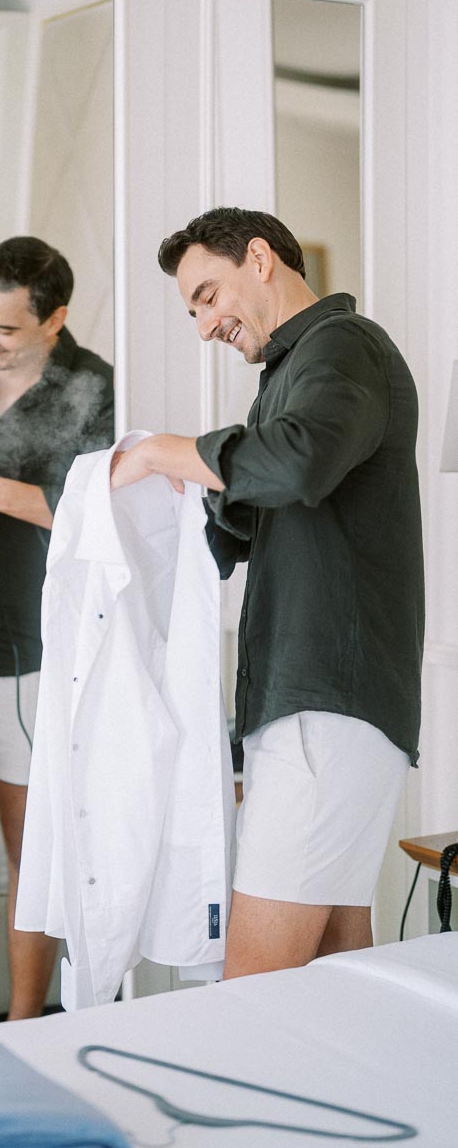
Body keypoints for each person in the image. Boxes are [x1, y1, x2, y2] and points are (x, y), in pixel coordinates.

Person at [110, 207, 423, 979]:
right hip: (330, 703)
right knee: (339, 966)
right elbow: (263, 512)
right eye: (193, 311)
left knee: (251, 987)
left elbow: (296, 465)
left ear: (259, 258)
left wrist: (163, 455)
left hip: (325, 702)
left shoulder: (341, 349)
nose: (205, 324)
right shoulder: (290, 375)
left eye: (209, 296)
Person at [0, 235, 114, 1018]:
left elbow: (107, 515)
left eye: (3, 329)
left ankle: (22, 1024)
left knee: (28, 849)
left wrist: (0, 494)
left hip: (23, 649)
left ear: (56, 319)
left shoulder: (94, 390)